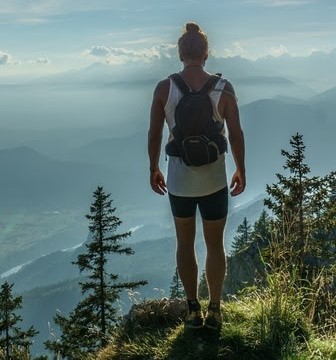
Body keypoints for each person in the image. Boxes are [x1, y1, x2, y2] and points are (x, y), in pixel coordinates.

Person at [147, 21, 246, 331]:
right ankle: (215, 310)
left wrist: (154, 167)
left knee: (185, 244)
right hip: (215, 180)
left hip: (179, 182)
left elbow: (154, 132)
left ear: (180, 53)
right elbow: (236, 133)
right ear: (206, 53)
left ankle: (192, 311)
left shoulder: (165, 88)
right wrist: (241, 169)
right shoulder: (223, 88)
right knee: (215, 246)